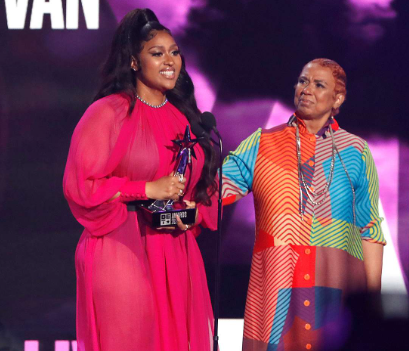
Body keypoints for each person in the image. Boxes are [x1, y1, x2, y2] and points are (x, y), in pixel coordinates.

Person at [63, 8, 218, 351]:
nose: (169, 61)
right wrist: (146, 189)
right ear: (134, 62)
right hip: (122, 247)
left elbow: (203, 191)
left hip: (174, 251)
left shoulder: (185, 120)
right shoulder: (108, 112)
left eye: (175, 52)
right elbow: (82, 186)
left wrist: (192, 207)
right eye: (157, 53)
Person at [222, 58, 386, 351]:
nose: (306, 89)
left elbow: (370, 230)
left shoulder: (357, 152)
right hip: (276, 296)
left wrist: (371, 309)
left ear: (338, 98)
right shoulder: (262, 143)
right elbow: (214, 189)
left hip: (335, 297)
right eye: (302, 81)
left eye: (319, 84)